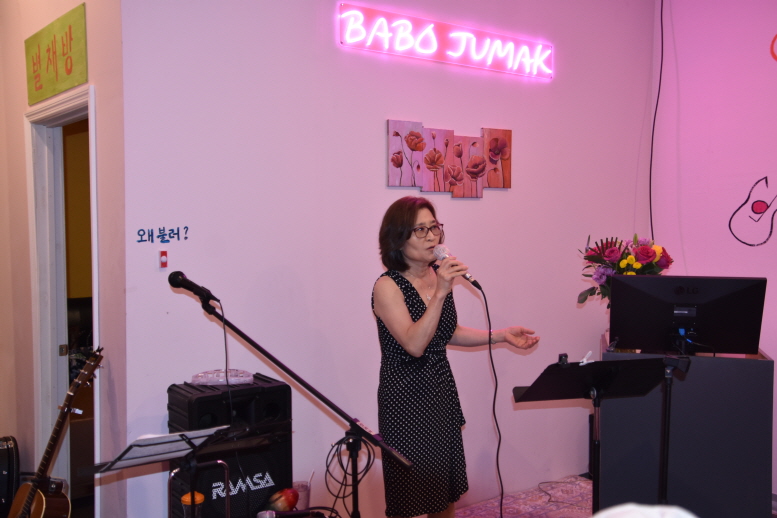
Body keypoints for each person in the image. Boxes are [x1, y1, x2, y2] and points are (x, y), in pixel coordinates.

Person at [372, 196, 540, 518]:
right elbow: (415, 344)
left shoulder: (437, 275)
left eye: (434, 227)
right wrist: (442, 291)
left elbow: (446, 332)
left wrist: (500, 335)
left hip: (440, 393)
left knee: (443, 492)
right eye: (420, 230)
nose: (431, 236)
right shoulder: (387, 286)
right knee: (408, 497)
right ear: (398, 238)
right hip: (405, 400)